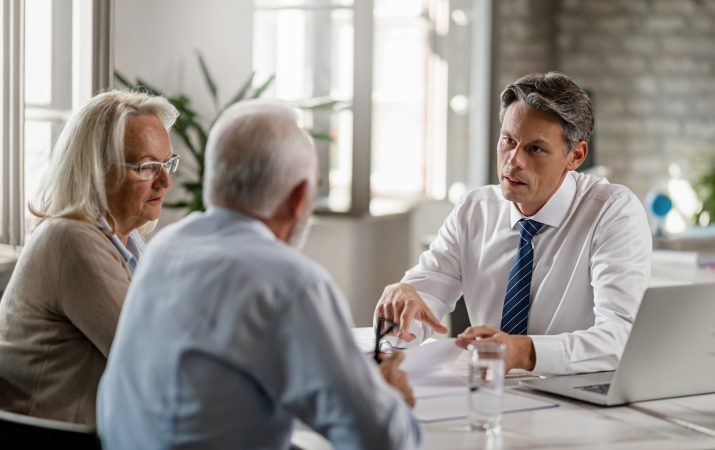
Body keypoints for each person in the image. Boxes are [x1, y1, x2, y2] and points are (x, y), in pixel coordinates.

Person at [97, 100, 421, 450]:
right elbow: (382, 440)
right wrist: (388, 397)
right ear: (299, 199)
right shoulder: (290, 283)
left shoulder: (165, 249)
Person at [375, 72, 652, 375]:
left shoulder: (613, 212)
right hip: (488, 391)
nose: (513, 161)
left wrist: (524, 352)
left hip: (573, 397)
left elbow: (623, 337)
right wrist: (401, 314)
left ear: (576, 156)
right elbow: (424, 300)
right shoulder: (474, 210)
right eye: (508, 141)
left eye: (535, 149)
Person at [0, 90, 179, 425]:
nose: (165, 181)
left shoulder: (128, 242)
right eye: (148, 167)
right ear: (98, 169)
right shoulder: (72, 239)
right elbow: (154, 361)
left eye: (167, 163)